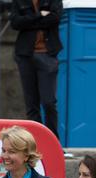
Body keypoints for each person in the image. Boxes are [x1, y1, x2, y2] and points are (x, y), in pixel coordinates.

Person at [11, 0, 62, 139]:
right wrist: (40, 15)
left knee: (48, 102)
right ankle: (35, 143)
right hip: (25, 55)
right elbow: (15, 23)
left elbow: (55, 19)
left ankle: (53, 142)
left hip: (47, 55)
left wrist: (28, 22)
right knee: (31, 105)